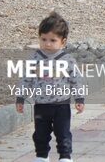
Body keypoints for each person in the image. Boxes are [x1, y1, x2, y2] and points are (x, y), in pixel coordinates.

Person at [15, 12, 84, 162]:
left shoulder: (67, 60)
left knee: (63, 133)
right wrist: (21, 98)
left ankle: (65, 157)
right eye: (43, 39)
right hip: (41, 105)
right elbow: (27, 79)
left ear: (63, 42)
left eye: (53, 40)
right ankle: (41, 156)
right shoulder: (34, 59)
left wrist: (79, 98)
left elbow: (75, 80)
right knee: (40, 134)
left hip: (61, 105)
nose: (47, 44)